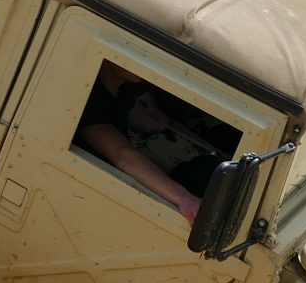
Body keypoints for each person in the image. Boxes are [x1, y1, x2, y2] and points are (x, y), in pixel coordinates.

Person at [77, 61, 218, 221]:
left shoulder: (121, 91)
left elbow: (145, 123)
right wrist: (184, 198)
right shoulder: (92, 98)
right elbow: (122, 154)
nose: (142, 61)